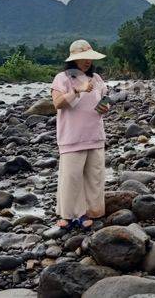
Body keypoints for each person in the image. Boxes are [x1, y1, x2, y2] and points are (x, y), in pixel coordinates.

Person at [51, 39, 110, 230]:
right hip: (72, 136)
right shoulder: (63, 78)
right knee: (71, 177)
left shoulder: (97, 79)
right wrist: (78, 90)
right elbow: (58, 103)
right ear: (73, 60)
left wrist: (104, 107)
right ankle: (68, 216)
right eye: (83, 58)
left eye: (89, 58)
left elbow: (105, 100)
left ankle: (91, 212)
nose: (87, 61)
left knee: (95, 176)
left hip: (94, 134)